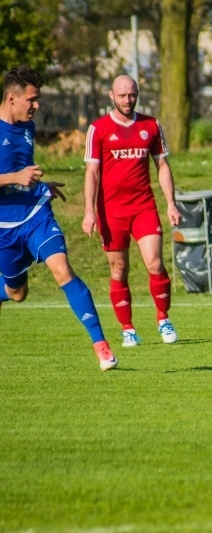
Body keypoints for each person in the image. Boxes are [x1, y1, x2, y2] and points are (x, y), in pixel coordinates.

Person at [0, 65, 118, 371]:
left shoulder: (27, 127)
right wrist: (16, 177)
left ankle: (101, 346)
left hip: (36, 212)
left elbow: (21, 172)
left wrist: (40, 186)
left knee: (62, 269)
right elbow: (14, 173)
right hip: (3, 226)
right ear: (12, 99)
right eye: (32, 99)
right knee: (17, 292)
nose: (37, 106)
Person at [83, 75, 181, 347]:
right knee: (119, 269)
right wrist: (89, 212)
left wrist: (171, 203)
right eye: (123, 95)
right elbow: (92, 172)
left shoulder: (151, 125)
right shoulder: (98, 129)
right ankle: (128, 329)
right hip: (111, 211)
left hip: (143, 207)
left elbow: (162, 166)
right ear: (111, 95)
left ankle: (163, 319)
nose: (128, 100)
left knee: (155, 263)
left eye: (132, 95)